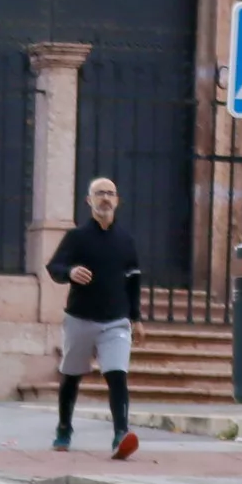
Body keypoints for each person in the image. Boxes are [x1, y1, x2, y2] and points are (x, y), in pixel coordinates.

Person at [47, 176, 140, 460]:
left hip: (115, 321)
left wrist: (135, 317)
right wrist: (70, 273)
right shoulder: (76, 237)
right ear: (89, 200)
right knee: (72, 376)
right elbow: (55, 266)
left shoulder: (126, 240)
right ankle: (64, 428)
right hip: (80, 319)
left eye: (110, 193)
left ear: (117, 200)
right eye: (100, 193)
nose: (105, 198)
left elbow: (133, 279)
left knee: (117, 375)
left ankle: (121, 434)